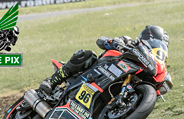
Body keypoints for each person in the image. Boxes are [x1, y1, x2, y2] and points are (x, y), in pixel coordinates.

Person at [39, 25, 171, 94]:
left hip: (123, 77)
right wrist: (113, 42)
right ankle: (51, 82)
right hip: (100, 68)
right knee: (87, 55)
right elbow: (101, 40)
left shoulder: (153, 62)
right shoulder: (130, 42)